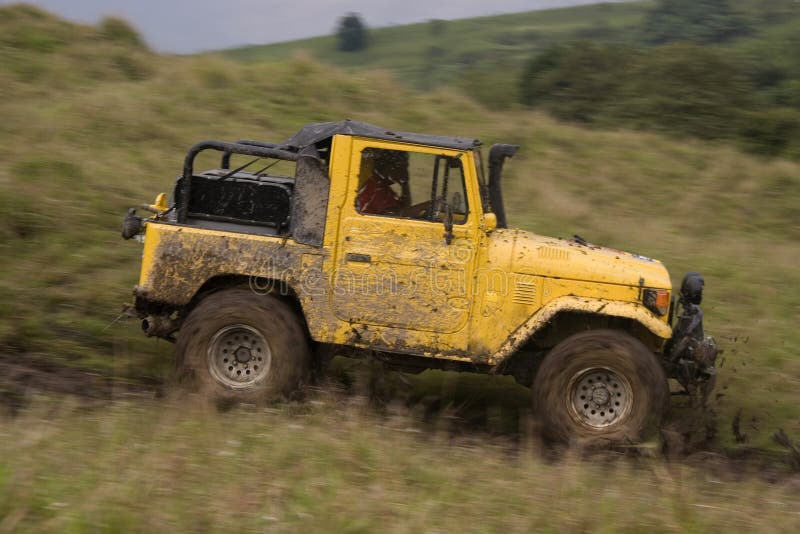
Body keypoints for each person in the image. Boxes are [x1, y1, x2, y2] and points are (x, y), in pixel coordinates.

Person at [356, 149, 409, 215]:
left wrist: (405, 185)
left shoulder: (377, 184)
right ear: (390, 167)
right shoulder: (377, 189)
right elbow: (399, 215)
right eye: (403, 167)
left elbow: (403, 207)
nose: (405, 172)